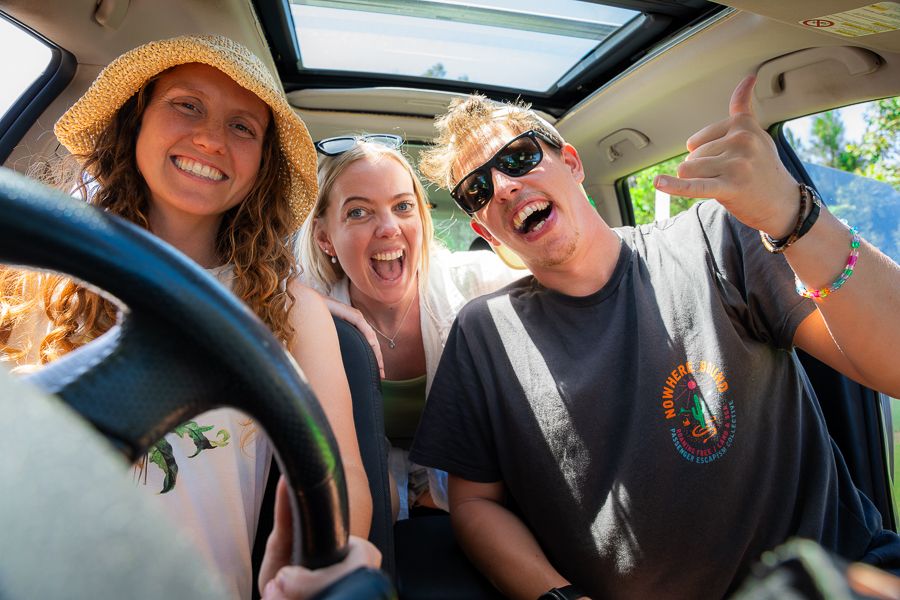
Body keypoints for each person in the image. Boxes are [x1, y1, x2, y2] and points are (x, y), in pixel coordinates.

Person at [407, 75, 900, 599]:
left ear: (571, 163)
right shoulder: (484, 334)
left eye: (519, 157)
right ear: (486, 231)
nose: (504, 186)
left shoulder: (715, 239)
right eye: (477, 190)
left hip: (829, 581)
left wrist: (791, 214)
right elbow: (474, 503)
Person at [0, 35, 374, 599]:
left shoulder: (292, 308)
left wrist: (321, 569)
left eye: (242, 127)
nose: (210, 139)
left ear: (262, 164)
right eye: (187, 105)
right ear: (137, 121)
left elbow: (343, 476)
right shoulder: (38, 273)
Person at [298, 136, 523, 519]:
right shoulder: (304, 306)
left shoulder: (476, 283)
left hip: (470, 492)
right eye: (358, 212)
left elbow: (569, 268)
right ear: (324, 238)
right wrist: (307, 306)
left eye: (403, 206)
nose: (388, 228)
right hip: (369, 494)